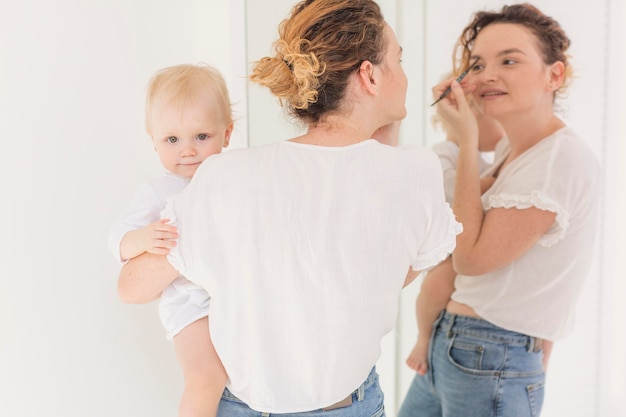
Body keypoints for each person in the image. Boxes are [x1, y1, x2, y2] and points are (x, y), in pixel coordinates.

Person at [117, 0, 461, 415]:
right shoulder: (416, 173)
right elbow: (383, 277)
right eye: (399, 60)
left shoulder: (228, 176)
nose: (405, 76)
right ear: (368, 75)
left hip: (248, 403)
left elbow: (132, 286)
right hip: (350, 403)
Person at [398, 4, 600, 417]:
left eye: (509, 60)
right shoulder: (516, 148)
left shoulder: (558, 160)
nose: (487, 74)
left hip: (491, 351)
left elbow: (470, 259)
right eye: (478, 63)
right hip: (460, 346)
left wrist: (466, 141)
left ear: (554, 75)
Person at [109, 63, 233, 417]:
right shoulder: (158, 191)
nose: (187, 151)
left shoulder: (232, 176)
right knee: (206, 379)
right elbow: (118, 241)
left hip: (231, 298)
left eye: (201, 136)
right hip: (190, 306)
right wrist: (145, 238)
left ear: (227, 133)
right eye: (172, 140)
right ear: (154, 141)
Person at [406, 104, 506, 375]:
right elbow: (454, 189)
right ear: (469, 120)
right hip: (449, 243)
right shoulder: (443, 153)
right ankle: (423, 337)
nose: (503, 127)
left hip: (472, 239)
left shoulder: (487, 160)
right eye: (497, 119)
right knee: (436, 285)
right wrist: (493, 182)